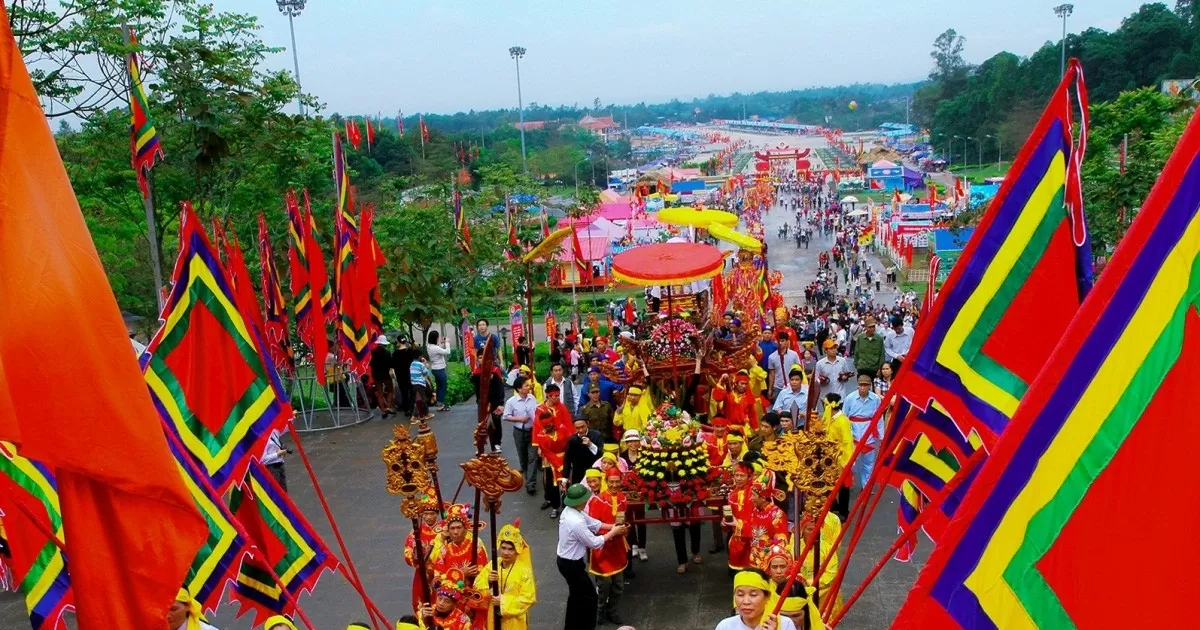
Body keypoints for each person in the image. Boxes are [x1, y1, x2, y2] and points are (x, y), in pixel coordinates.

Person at [556, 483, 627, 630]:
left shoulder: (573, 511)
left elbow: (594, 524)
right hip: (571, 565)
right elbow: (594, 542)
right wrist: (614, 532)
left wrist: (613, 526)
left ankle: (571, 626)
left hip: (569, 562)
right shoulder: (575, 522)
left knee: (576, 596)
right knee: (589, 597)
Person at [583, 469, 628, 626]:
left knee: (618, 586)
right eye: (611, 481)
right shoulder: (598, 500)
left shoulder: (623, 498)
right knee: (603, 587)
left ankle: (612, 611)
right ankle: (599, 612)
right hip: (602, 548)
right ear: (606, 482)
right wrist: (612, 531)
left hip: (617, 548)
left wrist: (625, 528)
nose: (614, 484)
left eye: (617, 481)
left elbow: (624, 520)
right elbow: (594, 527)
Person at [477, 520, 536, 630]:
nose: (506, 552)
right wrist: (488, 581)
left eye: (510, 549)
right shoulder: (492, 565)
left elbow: (529, 598)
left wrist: (503, 601)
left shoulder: (524, 570)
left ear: (517, 551)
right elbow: (477, 585)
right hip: (493, 615)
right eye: (503, 548)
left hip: (514, 620)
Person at [714, 569, 796, 630]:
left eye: (753, 595)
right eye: (740, 594)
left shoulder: (785, 625)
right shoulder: (725, 626)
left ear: (767, 597)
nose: (746, 602)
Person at [429, 504, 488, 587]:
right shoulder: (444, 551)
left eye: (459, 527)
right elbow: (437, 580)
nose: (456, 532)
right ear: (448, 531)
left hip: (472, 594)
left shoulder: (476, 548)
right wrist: (461, 573)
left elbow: (484, 574)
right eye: (452, 528)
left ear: (465, 529)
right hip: (451, 596)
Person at [404, 495, 443, 614]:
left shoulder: (444, 530)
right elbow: (407, 551)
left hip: (439, 573)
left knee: (439, 601)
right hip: (422, 572)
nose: (428, 517)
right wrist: (416, 558)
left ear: (436, 514)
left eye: (432, 514)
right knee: (420, 600)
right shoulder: (416, 531)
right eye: (426, 514)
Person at [844, 375, 884, 488]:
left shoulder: (875, 399)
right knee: (851, 462)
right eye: (861, 385)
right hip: (853, 433)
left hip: (869, 433)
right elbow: (844, 416)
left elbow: (879, 417)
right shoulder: (850, 398)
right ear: (857, 385)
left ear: (870, 386)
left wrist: (881, 436)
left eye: (865, 385)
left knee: (869, 463)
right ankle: (848, 481)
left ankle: (866, 486)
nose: (863, 388)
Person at [503, 377, 540, 494]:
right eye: (526, 386)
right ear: (519, 389)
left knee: (532, 457)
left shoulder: (532, 398)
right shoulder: (511, 402)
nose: (528, 387)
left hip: (533, 431)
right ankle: (525, 475)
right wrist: (520, 419)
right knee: (523, 457)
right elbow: (506, 416)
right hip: (519, 432)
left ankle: (531, 483)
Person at [821, 394, 855, 523]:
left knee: (843, 488)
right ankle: (833, 506)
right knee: (828, 484)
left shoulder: (842, 420)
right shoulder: (830, 418)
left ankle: (843, 512)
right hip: (829, 458)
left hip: (841, 459)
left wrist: (846, 462)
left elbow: (847, 442)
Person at [532, 407, 571, 519]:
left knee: (566, 484)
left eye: (549, 424)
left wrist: (567, 461)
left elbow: (569, 443)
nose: (548, 427)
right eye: (545, 425)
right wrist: (559, 465)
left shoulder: (563, 429)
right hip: (550, 463)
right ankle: (555, 506)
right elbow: (547, 452)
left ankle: (567, 506)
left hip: (565, 459)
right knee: (551, 486)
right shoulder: (541, 436)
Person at [619, 430, 649, 562]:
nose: (632, 444)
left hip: (641, 492)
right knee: (629, 520)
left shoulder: (645, 455)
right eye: (629, 441)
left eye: (635, 441)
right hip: (626, 493)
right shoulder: (622, 456)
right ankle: (634, 545)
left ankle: (642, 547)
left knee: (641, 520)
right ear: (626, 443)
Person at [746, 481, 789, 570]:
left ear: (763, 497)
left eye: (753, 495)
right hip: (753, 558)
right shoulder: (755, 510)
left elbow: (780, 541)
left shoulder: (777, 514)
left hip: (768, 562)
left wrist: (764, 552)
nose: (751, 498)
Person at [562, 419, 604, 486]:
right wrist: (565, 477)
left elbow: (601, 454)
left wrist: (590, 445)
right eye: (577, 428)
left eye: (582, 427)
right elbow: (567, 459)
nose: (581, 430)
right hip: (578, 474)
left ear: (587, 424)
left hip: (594, 471)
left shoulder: (596, 435)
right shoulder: (571, 439)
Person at [766, 333, 801, 400]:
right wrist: (770, 389)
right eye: (778, 341)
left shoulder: (794, 355)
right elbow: (771, 374)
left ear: (787, 342)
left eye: (782, 341)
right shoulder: (771, 357)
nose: (780, 343)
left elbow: (799, 371)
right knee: (777, 409)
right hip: (778, 388)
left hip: (792, 387)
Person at [370, 334, 395, 417]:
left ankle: (383, 412)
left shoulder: (373, 352)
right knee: (390, 390)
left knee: (380, 393)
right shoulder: (387, 353)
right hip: (385, 375)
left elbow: (371, 364)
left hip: (376, 375)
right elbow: (391, 364)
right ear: (384, 344)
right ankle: (388, 407)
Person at [427, 331, 452, 411]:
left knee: (439, 387)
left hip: (434, 369)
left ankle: (439, 403)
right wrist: (447, 343)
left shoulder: (429, 346)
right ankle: (440, 405)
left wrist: (441, 343)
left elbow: (438, 349)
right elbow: (447, 352)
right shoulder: (435, 348)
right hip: (440, 369)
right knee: (443, 387)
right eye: (438, 337)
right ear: (435, 338)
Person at [410, 353, 435, 420]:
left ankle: (426, 413)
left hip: (414, 384)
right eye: (421, 356)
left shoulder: (412, 364)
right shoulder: (420, 364)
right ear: (419, 356)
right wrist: (424, 363)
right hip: (420, 384)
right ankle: (414, 417)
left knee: (422, 399)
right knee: (421, 400)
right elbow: (426, 373)